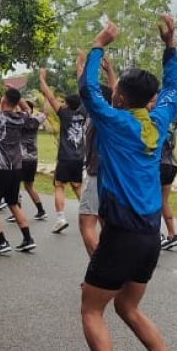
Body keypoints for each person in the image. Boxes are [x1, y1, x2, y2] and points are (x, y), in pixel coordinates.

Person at [75, 17, 177, 351]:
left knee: (91, 308)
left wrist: (99, 43)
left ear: (120, 97)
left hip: (121, 233)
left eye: (117, 89)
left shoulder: (113, 121)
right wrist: (169, 44)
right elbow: (174, 86)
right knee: (127, 306)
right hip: (149, 236)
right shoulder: (159, 119)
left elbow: (87, 88)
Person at [0, 86, 39, 255]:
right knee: (13, 203)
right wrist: (16, 95)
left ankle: (1, 241)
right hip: (16, 168)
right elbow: (27, 108)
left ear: (4, 100)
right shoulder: (21, 117)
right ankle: (28, 238)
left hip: (0, 168)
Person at [38, 68, 87, 235]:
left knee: (59, 186)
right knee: (77, 186)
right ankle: (89, 214)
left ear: (67, 104)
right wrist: (80, 68)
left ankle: (60, 218)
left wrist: (42, 78)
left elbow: (50, 96)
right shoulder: (84, 112)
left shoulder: (64, 113)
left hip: (65, 157)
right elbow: (84, 91)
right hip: (80, 157)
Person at [78, 53, 118, 258]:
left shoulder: (98, 116)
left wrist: (85, 67)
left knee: (86, 222)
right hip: (111, 176)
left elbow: (86, 89)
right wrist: (109, 69)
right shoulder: (116, 115)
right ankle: (112, 266)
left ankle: (99, 272)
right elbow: (116, 92)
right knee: (106, 224)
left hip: (96, 174)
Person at [16, 99, 48, 222]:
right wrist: (46, 98)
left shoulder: (19, 121)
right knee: (29, 186)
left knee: (15, 186)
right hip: (33, 159)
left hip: (21, 159)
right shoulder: (36, 121)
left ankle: (16, 212)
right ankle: (41, 210)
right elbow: (45, 113)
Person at [158, 121, 177, 251]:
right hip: (172, 163)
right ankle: (172, 234)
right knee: (164, 201)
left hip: (159, 164)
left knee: (153, 200)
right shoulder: (170, 123)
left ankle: (156, 234)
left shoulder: (155, 118)